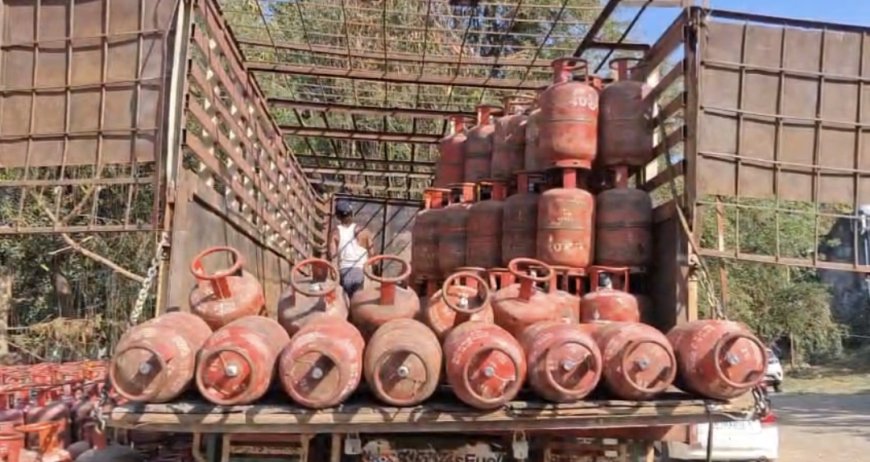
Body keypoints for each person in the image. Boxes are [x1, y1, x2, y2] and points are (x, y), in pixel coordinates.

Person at [328, 200, 375, 299]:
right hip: (362, 271)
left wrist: (335, 275)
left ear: (338, 216)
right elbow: (372, 254)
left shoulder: (335, 233)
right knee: (361, 302)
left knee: (346, 302)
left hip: (344, 272)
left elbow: (333, 257)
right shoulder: (363, 231)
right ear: (352, 213)